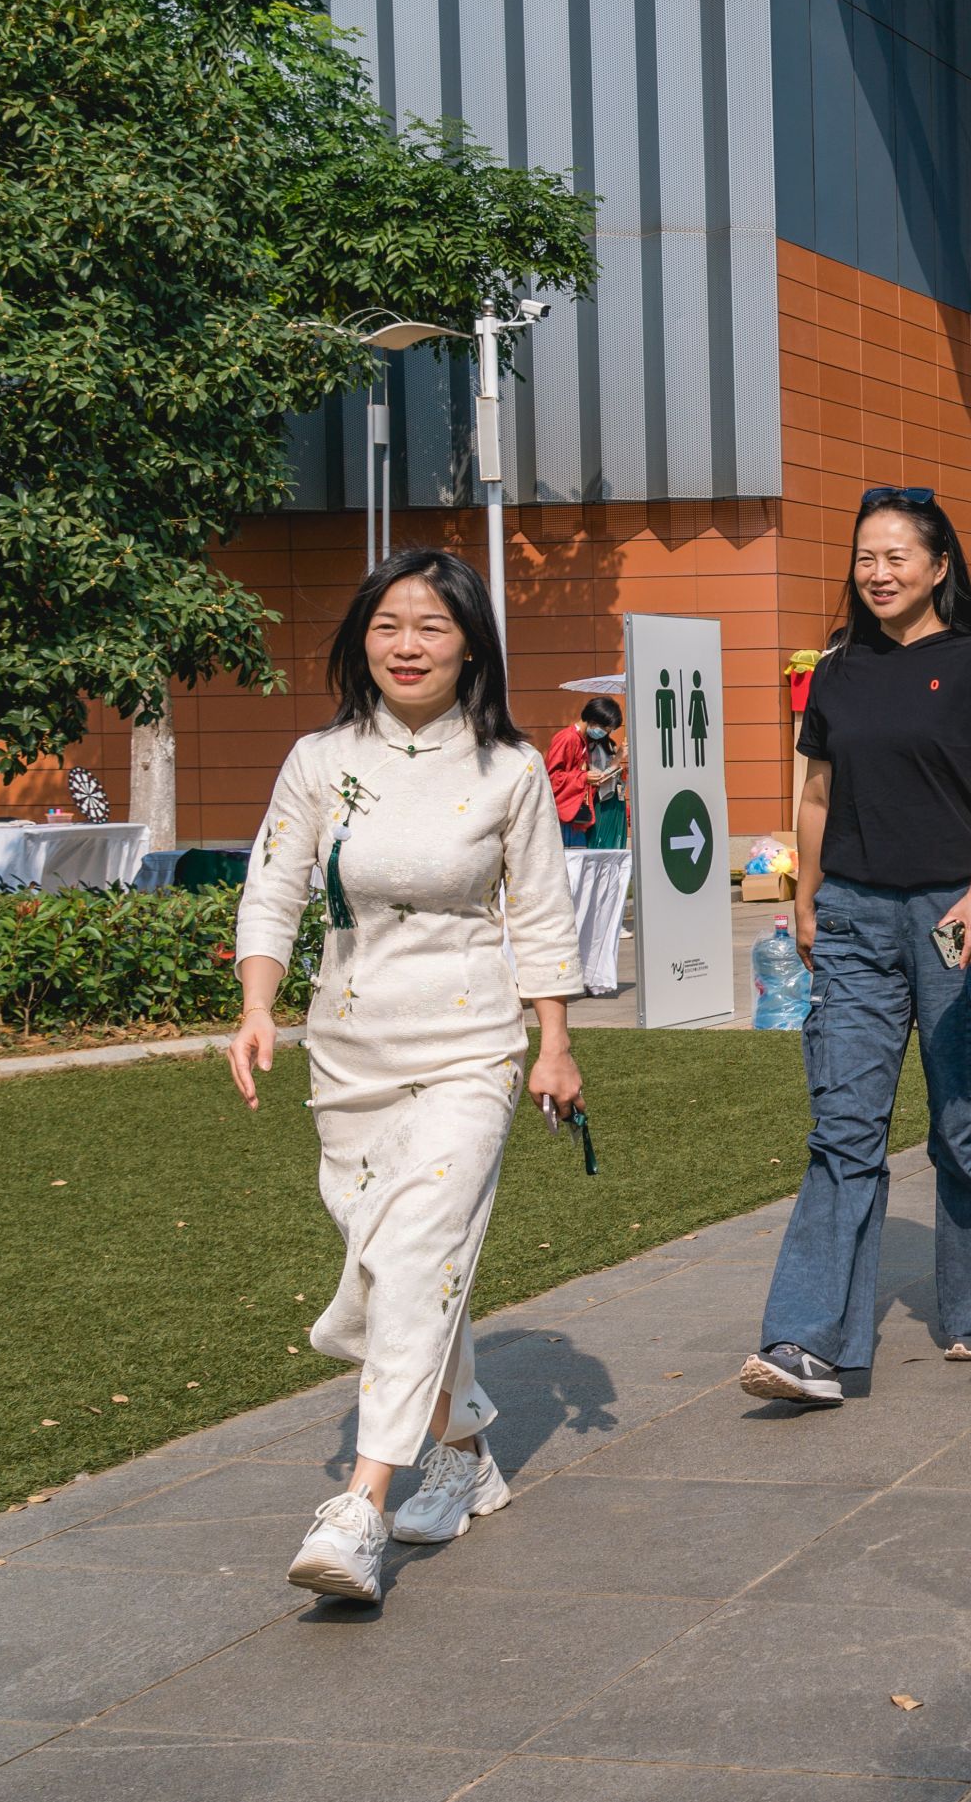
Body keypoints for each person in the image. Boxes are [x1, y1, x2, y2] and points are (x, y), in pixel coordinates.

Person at [227, 550, 584, 1605]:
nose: (408, 645)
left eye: (432, 626)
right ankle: (466, 1458)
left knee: (421, 1243)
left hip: (471, 1046)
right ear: (362, 640)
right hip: (349, 1051)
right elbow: (273, 887)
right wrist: (257, 1007)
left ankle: (360, 1506)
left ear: (470, 644)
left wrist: (554, 1043)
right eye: (388, 625)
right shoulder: (319, 759)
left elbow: (543, 914)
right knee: (398, 1268)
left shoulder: (510, 768)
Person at [739, 488, 971, 1406]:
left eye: (897, 556)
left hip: (953, 915)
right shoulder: (838, 669)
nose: (878, 573)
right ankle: (804, 1340)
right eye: (866, 557)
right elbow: (817, 792)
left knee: (965, 1121)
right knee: (843, 1126)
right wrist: (806, 896)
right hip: (855, 918)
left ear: (938, 566)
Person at [543, 696, 628, 849]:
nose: (605, 734)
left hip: (577, 814)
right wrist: (583, 777)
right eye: (606, 730)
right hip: (565, 815)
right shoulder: (567, 738)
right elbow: (551, 778)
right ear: (594, 721)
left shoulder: (582, 740)